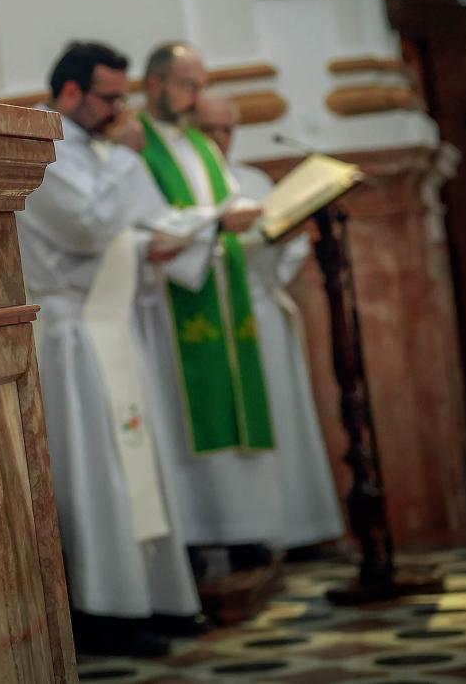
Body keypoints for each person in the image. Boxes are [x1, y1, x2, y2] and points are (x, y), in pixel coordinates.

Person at [17, 41, 202, 658]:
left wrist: (160, 239)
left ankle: (157, 597)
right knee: (100, 480)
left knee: (138, 471)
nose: (122, 110)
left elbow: (143, 218)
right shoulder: (40, 146)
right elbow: (90, 225)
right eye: (110, 96)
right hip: (73, 337)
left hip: (114, 325)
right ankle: (105, 611)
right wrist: (126, 161)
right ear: (70, 92)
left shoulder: (98, 146)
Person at [134, 43, 284, 570]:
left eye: (199, 85)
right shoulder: (138, 145)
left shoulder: (202, 145)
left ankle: (246, 530)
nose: (197, 96)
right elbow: (146, 221)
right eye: (188, 85)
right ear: (155, 84)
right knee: (185, 414)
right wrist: (216, 224)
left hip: (223, 287)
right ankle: (200, 534)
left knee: (237, 401)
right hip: (171, 301)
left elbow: (223, 203)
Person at [193, 97, 345, 553]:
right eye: (209, 129)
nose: (220, 139)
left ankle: (301, 525)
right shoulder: (192, 186)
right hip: (216, 317)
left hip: (261, 308)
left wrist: (285, 239)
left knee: (284, 416)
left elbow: (288, 254)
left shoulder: (253, 180)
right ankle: (254, 531)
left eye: (226, 129)